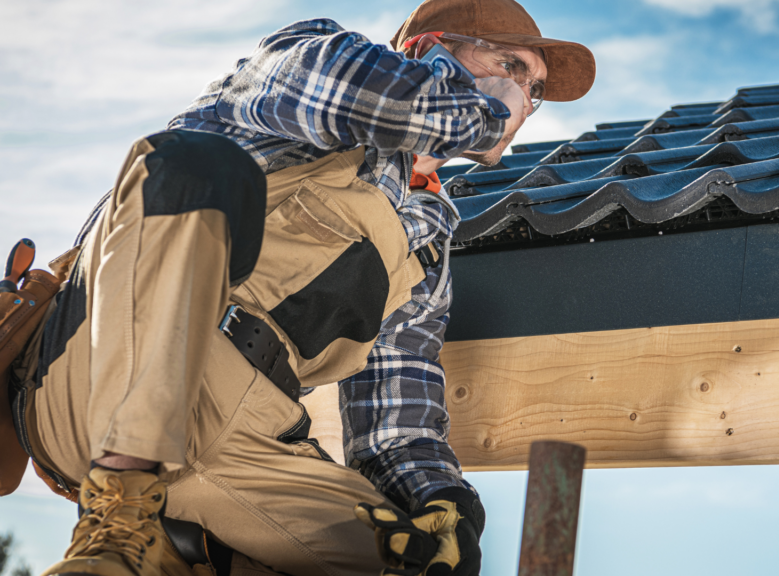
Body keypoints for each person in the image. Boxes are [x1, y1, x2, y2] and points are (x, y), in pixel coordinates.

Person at [8, 0, 595, 575]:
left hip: (249, 441)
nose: (525, 99)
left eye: (535, 90)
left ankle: (169, 547)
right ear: (429, 48)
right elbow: (377, 97)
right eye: (511, 67)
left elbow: (394, 422)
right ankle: (119, 511)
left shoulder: (428, 244)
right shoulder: (310, 63)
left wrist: (444, 501)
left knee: (410, 558)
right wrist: (484, 109)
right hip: (99, 374)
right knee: (188, 164)